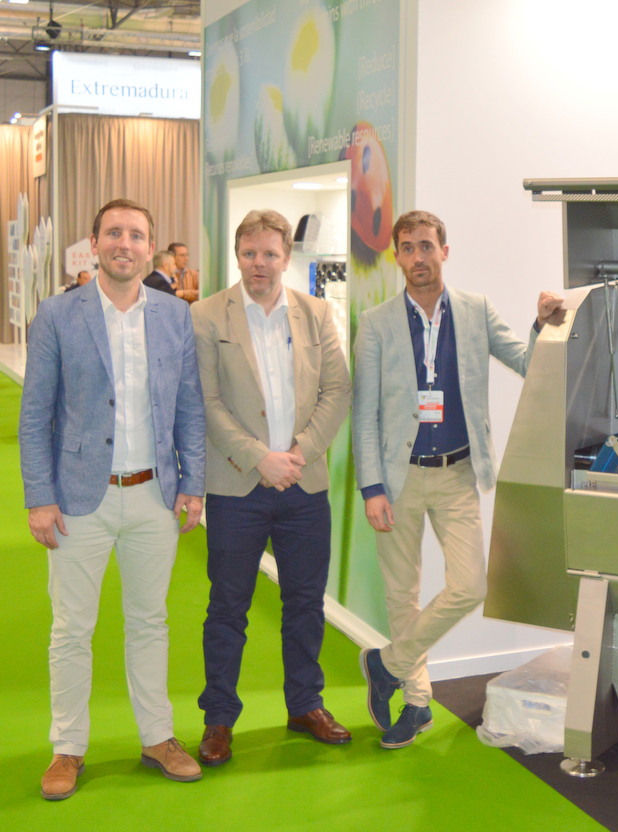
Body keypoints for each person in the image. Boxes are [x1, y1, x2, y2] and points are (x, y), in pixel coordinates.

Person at [353, 209, 563, 748]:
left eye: (426, 246)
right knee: (402, 595)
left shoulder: (475, 311)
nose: (417, 257)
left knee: (470, 585)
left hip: (457, 472)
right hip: (398, 478)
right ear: (396, 256)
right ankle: (417, 701)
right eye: (407, 248)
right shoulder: (376, 323)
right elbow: (364, 413)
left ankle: (385, 664)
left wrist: (543, 324)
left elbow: (528, 362)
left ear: (444, 251)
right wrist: (372, 488)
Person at [19, 198, 206, 800]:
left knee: (150, 622)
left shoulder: (175, 315)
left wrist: (193, 483)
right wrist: (40, 496)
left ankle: (158, 737)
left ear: (151, 247)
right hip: (79, 499)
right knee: (72, 628)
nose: (125, 243)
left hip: (154, 496)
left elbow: (189, 405)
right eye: (114, 233)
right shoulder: (58, 314)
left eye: (137, 235)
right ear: (95, 242)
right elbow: (35, 414)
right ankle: (68, 747)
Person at [191, 209, 353, 766]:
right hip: (237, 486)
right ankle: (218, 718)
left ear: (286, 258)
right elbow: (207, 401)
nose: (258, 264)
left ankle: (305, 704)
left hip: (304, 486)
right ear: (238, 255)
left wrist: (299, 453)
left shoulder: (316, 313)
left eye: (269, 254)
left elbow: (337, 390)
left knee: (305, 602)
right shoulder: (206, 315)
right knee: (228, 606)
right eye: (249, 253)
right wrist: (260, 458)